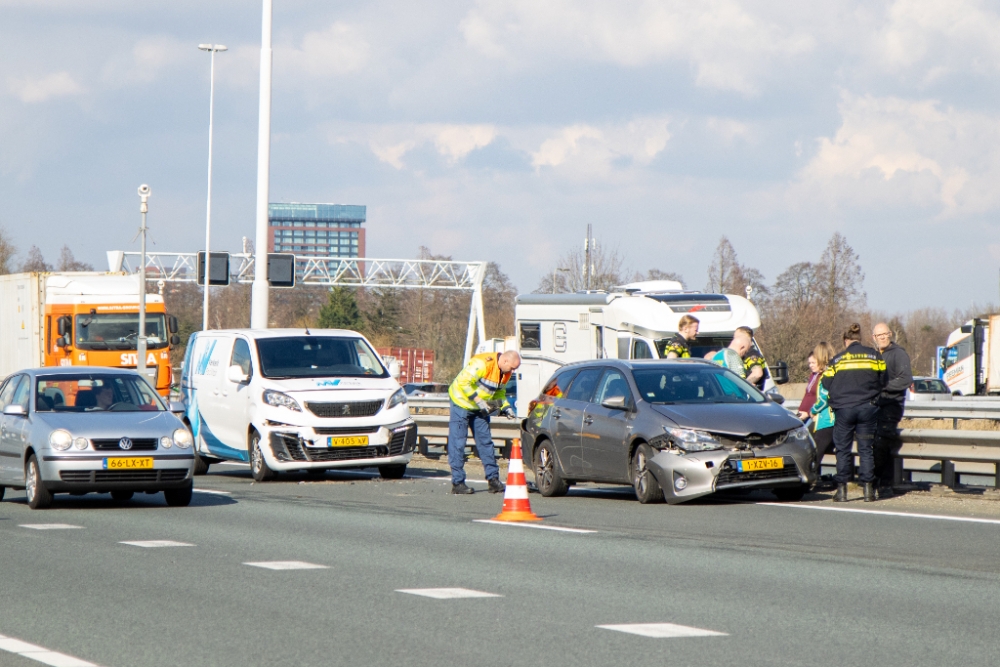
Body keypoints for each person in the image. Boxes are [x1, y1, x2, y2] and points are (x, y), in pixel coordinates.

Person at [822, 323, 886, 502]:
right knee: (866, 449)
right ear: (860, 339)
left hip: (844, 410)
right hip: (868, 408)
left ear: (846, 341)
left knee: (843, 449)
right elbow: (884, 379)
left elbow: (826, 384)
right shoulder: (874, 356)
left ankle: (842, 491)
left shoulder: (838, 359)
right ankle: (868, 491)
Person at [447, 350, 521, 495]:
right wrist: (479, 401)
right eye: (512, 368)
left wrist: (506, 408)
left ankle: (493, 480)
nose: (512, 371)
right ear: (505, 361)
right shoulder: (482, 363)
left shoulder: (505, 373)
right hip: (461, 403)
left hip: (479, 409)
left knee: (486, 442)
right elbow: (463, 382)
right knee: (458, 443)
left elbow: (499, 393)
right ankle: (458, 482)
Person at [871, 322, 912, 498]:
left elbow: (906, 379)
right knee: (872, 442)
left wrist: (883, 387)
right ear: (873, 338)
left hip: (892, 405)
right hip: (875, 407)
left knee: (883, 442)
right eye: (878, 335)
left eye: (885, 334)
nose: (882, 338)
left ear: (890, 334)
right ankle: (870, 480)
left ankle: (884, 482)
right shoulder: (873, 356)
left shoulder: (898, 354)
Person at [805, 343, 837, 489]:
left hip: (826, 419)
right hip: (831, 419)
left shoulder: (826, 375)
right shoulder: (833, 372)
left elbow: (824, 398)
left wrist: (813, 410)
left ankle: (810, 481)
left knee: (816, 452)